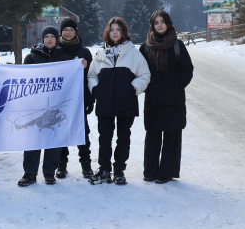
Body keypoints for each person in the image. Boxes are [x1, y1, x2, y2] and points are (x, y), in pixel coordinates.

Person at [87, 17, 151, 185]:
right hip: (105, 102)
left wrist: (132, 89)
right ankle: (104, 170)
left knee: (123, 137)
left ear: (123, 32)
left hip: (126, 102)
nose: (115, 32)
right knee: (104, 137)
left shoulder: (133, 53)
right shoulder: (100, 53)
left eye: (118, 30)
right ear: (108, 32)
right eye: (112, 29)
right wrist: (96, 89)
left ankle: (120, 170)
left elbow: (144, 75)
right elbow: (92, 75)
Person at [139, 10, 194, 184]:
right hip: (153, 99)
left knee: (172, 136)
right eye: (156, 22)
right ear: (152, 25)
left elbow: (187, 70)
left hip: (174, 99)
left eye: (162, 21)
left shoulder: (177, 46)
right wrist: (147, 87)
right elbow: (139, 71)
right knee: (153, 134)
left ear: (168, 23)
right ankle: (150, 171)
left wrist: (176, 86)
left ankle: (166, 172)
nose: (160, 25)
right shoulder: (145, 47)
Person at [17, 26, 67, 187]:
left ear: (57, 38)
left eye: (53, 36)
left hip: (57, 104)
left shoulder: (63, 57)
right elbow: (25, 80)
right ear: (42, 39)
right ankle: (30, 173)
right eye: (47, 36)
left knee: (53, 138)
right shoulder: (32, 57)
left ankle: (49, 172)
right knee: (33, 139)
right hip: (36, 104)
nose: (50, 39)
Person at [56, 18, 94, 179]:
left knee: (82, 132)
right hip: (60, 100)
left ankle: (86, 164)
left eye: (71, 30)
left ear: (76, 32)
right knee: (61, 132)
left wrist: (90, 99)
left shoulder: (84, 52)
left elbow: (91, 77)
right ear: (61, 32)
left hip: (79, 100)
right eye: (65, 30)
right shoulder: (56, 50)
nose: (68, 32)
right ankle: (61, 164)